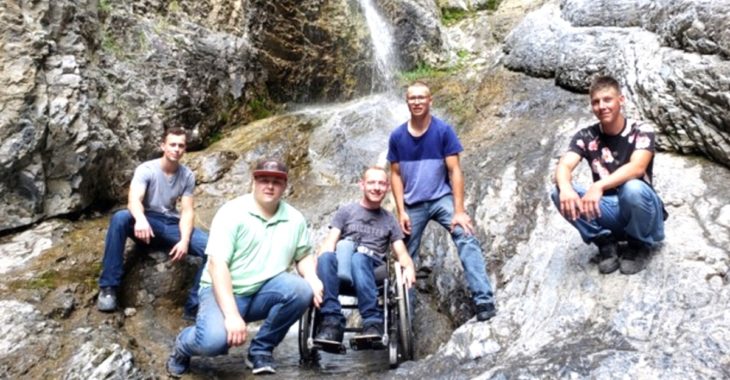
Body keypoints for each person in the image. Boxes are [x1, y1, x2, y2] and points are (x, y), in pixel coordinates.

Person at [166, 159, 323, 376]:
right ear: (254, 182)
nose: (269, 186)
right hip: (221, 291)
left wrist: (313, 278)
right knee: (213, 343)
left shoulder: (294, 219)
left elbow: (304, 254)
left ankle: (261, 350)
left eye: (276, 182)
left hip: (263, 291)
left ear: (285, 186)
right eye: (264, 180)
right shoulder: (232, 212)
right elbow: (216, 265)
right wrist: (231, 315)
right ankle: (183, 345)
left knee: (302, 290)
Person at [387, 81, 497, 322]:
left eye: (421, 97)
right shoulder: (397, 136)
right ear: (407, 102)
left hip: (440, 198)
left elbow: (455, 171)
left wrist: (459, 211)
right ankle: (405, 313)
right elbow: (394, 174)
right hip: (412, 203)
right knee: (403, 251)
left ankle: (483, 299)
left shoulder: (443, 131)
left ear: (430, 101)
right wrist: (401, 211)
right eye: (412, 98)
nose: (416, 102)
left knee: (466, 235)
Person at [552, 75, 666, 275]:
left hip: (643, 211)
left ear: (620, 100)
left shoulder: (642, 130)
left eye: (607, 100)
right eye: (596, 102)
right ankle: (605, 242)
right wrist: (566, 188)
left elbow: (637, 167)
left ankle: (639, 244)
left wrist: (599, 186)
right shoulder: (586, 136)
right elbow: (565, 165)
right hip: (611, 211)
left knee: (632, 188)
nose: (602, 106)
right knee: (558, 192)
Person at [97, 127, 208, 320]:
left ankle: (194, 306)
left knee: (212, 248)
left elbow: (188, 210)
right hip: (147, 222)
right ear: (163, 146)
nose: (176, 149)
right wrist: (140, 220)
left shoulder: (187, 176)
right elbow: (134, 200)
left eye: (180, 145)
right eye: (172, 144)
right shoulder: (146, 169)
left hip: (171, 224)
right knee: (120, 218)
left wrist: (184, 240)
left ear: (185, 149)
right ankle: (108, 288)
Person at [314, 167, 417, 345]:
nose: (376, 188)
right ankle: (331, 321)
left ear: (387, 188)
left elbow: (401, 253)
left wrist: (409, 268)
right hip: (342, 269)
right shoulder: (346, 212)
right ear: (362, 185)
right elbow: (330, 242)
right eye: (371, 182)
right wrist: (315, 275)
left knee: (359, 258)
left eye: (381, 183)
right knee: (326, 257)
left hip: (373, 270)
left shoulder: (390, 220)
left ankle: (373, 322)